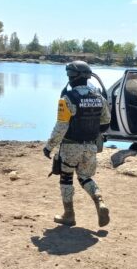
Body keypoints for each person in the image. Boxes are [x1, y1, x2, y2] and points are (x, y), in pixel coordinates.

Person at [43, 61, 111, 227]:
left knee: (66, 179)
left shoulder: (67, 99)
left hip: (70, 146)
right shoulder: (99, 98)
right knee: (85, 177)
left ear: (72, 77)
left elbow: (61, 127)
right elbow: (106, 122)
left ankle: (69, 215)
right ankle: (99, 201)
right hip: (91, 146)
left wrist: (49, 147)